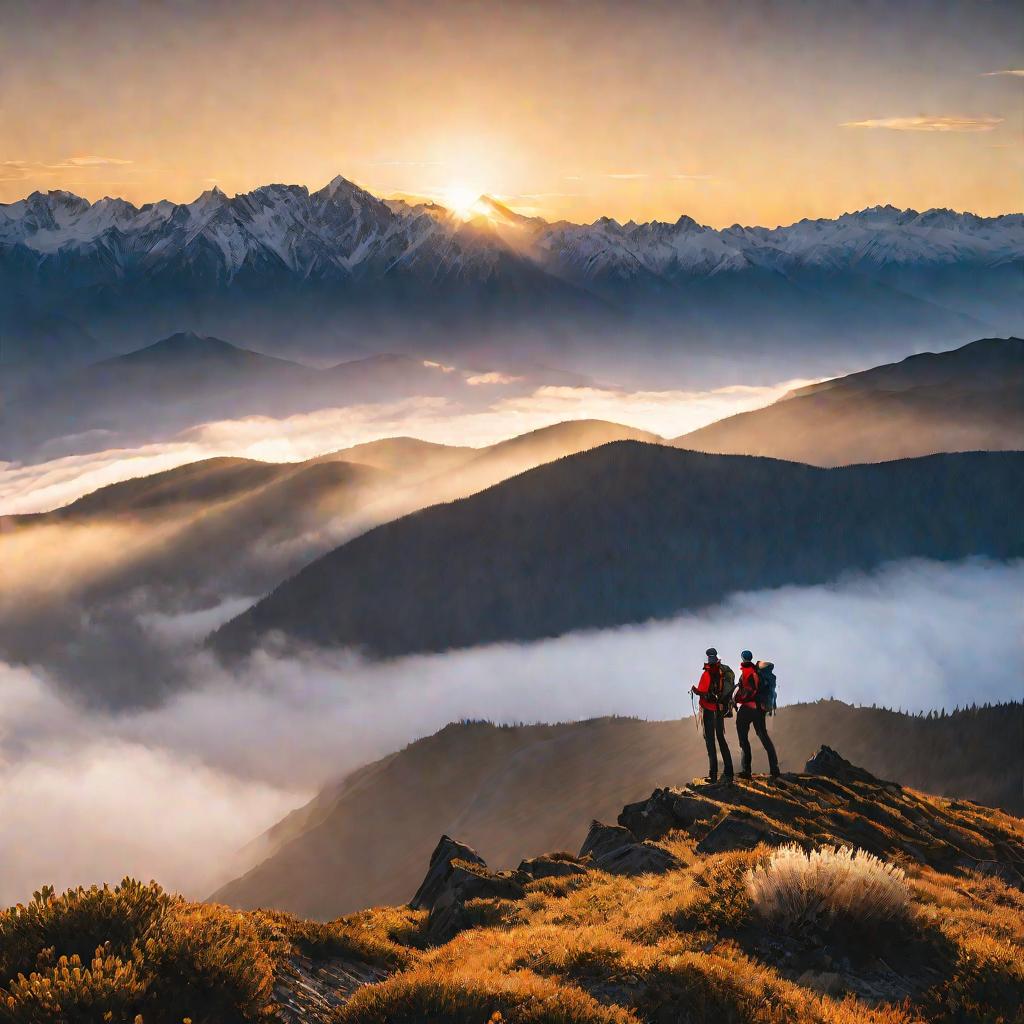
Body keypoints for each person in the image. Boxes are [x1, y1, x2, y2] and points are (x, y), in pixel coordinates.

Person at [734, 650, 780, 779]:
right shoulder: (757, 672)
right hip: (759, 709)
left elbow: (746, 692)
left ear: (742, 659)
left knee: (743, 739)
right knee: (764, 737)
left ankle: (746, 770)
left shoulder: (747, 672)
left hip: (747, 709)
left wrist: (738, 701)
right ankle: (774, 769)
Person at [691, 647, 734, 783]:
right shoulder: (722, 672)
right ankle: (729, 772)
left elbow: (704, 692)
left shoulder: (707, 674)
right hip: (720, 710)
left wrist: (695, 691)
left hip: (709, 711)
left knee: (710, 741)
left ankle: (713, 775)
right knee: (721, 739)